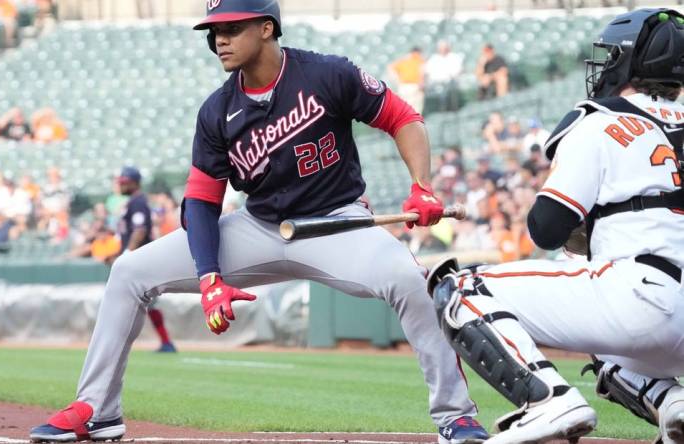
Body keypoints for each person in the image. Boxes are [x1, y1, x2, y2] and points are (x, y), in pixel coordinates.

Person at [29, 1, 489, 442]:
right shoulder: (216, 110)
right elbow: (202, 204)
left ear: (266, 27)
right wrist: (209, 276)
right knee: (129, 272)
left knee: (409, 279)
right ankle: (98, 409)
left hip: (337, 224)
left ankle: (456, 417)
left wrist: (421, 184)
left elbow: (402, 119)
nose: (220, 40)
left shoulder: (328, 73)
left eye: (231, 29)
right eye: (215, 32)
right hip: (260, 227)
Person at [426, 9, 684, 443]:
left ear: (628, 61)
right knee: (607, 354)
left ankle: (547, 400)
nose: (603, 64)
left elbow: (546, 227)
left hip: (642, 293)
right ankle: (673, 404)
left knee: (462, 290)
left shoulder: (602, 120)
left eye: (611, 54)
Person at [116, 167, 177, 354]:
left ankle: (165, 342)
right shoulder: (134, 202)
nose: (120, 184)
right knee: (140, 304)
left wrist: (127, 253)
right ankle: (165, 342)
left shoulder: (138, 202)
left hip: (139, 261)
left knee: (133, 303)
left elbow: (140, 230)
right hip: (137, 260)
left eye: (124, 181)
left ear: (134, 182)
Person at [424, 41, 463, 111]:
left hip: (450, 84)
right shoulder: (434, 58)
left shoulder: (454, 57)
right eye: (441, 48)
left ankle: (450, 109)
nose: (443, 49)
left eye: (444, 48)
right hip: (435, 84)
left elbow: (458, 71)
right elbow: (427, 71)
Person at [388, 47, 425, 114]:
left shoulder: (404, 60)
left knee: (404, 108)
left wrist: (397, 80)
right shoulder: (419, 59)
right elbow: (422, 72)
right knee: (416, 109)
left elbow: (390, 68)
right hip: (414, 85)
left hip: (403, 86)